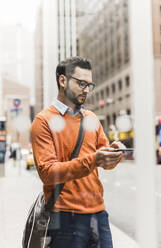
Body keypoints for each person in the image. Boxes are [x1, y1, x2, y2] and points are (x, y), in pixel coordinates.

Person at [31, 56, 123, 248]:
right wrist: (94, 159)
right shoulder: (43, 121)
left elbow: (104, 162)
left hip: (98, 214)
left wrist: (114, 154)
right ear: (63, 81)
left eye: (89, 84)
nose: (87, 90)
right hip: (64, 217)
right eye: (81, 83)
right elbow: (48, 173)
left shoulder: (91, 118)